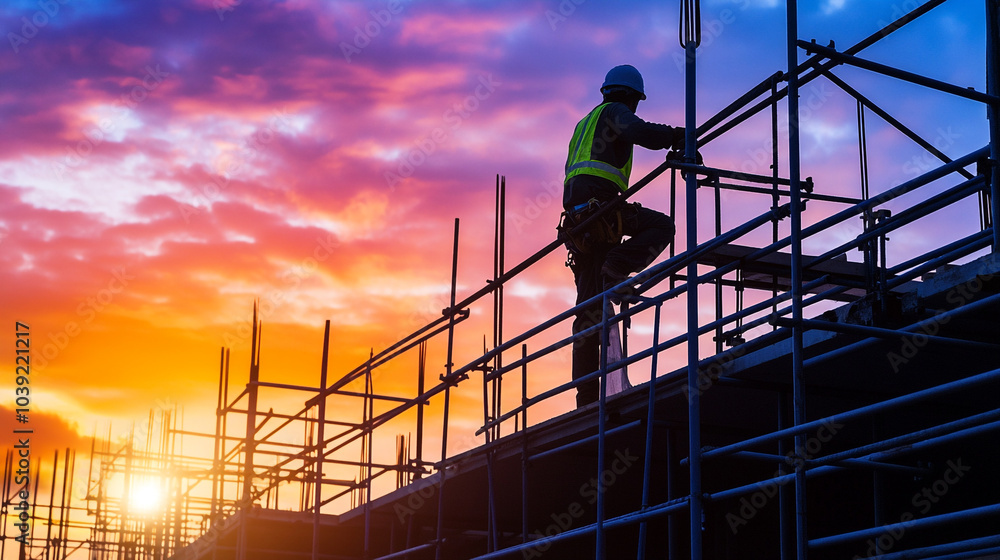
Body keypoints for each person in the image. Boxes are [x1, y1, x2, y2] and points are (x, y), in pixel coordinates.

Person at [562, 64, 683, 408]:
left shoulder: (584, 122)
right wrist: (676, 136)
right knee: (661, 227)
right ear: (631, 97)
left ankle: (585, 396)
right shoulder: (616, 112)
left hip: (581, 221)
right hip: (600, 209)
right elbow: (640, 132)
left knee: (589, 309)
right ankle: (617, 265)